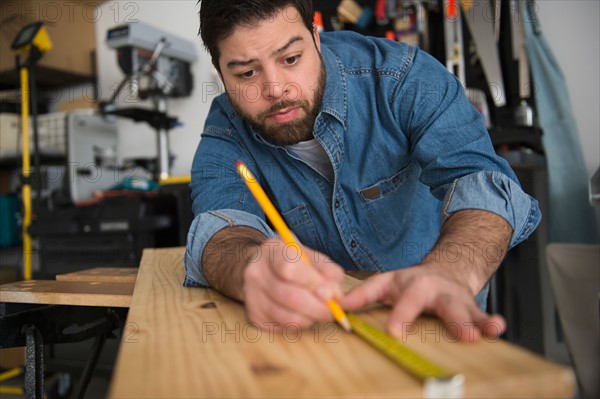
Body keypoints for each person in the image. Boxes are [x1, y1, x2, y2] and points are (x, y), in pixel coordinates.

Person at [185, 0, 541, 342]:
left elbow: (481, 182)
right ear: (220, 73)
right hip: (319, 331)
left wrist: (450, 272)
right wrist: (249, 267)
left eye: (291, 58)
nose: (276, 89)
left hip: (438, 313)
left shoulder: (403, 77)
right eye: (246, 72)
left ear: (316, 38)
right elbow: (222, 228)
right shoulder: (226, 129)